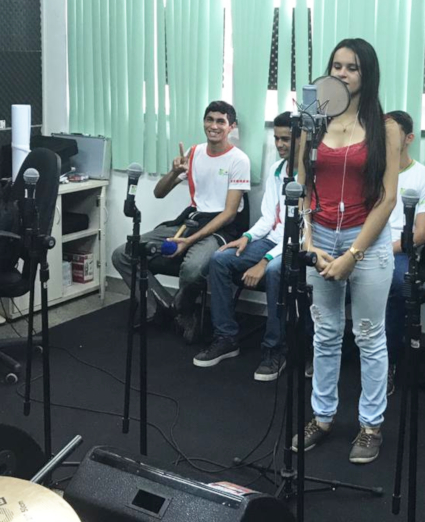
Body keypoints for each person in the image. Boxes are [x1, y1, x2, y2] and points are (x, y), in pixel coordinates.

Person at [291, 38, 400, 465]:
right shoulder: (312, 123)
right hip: (320, 238)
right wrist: (308, 243)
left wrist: (352, 253)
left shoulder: (385, 128)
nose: (341, 73)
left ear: (366, 74)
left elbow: (387, 199)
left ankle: (370, 426)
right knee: (325, 332)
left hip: (365, 241)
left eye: (352, 67)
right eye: (336, 65)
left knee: (369, 335)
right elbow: (300, 188)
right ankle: (322, 417)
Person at [111, 101, 251, 343]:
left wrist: (189, 241)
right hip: (192, 220)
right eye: (209, 119)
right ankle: (162, 307)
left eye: (221, 121)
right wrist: (175, 172)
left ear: (231, 127)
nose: (214, 126)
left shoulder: (239, 160)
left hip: (223, 228)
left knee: (193, 268)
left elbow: (229, 214)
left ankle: (183, 310)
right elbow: (159, 192)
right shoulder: (194, 153)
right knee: (123, 253)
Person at [193, 112, 292, 381]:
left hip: (295, 246)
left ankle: (275, 350)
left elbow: (302, 231)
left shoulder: (312, 175)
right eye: (277, 138)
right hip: (272, 240)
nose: (280, 144)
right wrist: (247, 237)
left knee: (274, 271)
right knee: (220, 259)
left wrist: (264, 260)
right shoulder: (277, 169)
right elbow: (269, 218)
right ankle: (226, 337)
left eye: (286, 139)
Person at [384, 110, 425, 396]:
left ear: (408, 139)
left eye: (391, 134)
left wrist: (381, 249)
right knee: (317, 271)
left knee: (397, 285)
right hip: (363, 245)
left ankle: (389, 362)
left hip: (399, 251)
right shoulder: (370, 173)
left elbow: (421, 234)